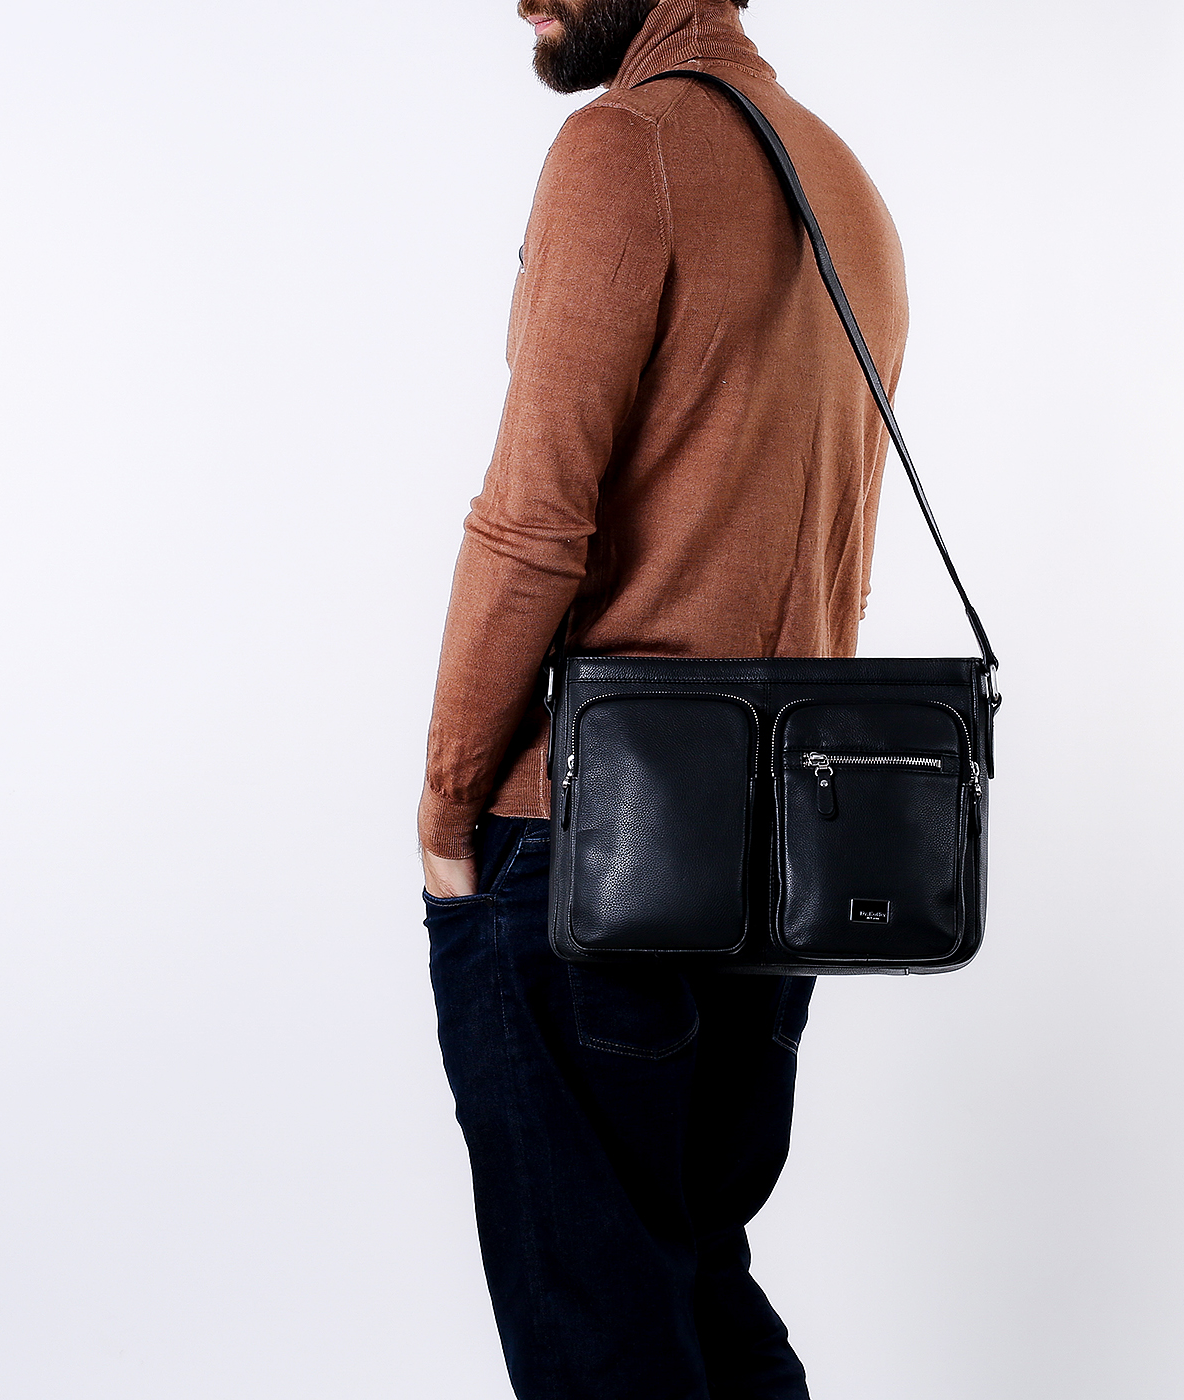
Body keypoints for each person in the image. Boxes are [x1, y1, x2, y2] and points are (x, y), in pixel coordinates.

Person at [418, 1, 909, 1394]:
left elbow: (533, 522)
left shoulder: (622, 148)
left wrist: (447, 806)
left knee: (601, 1331)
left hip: (591, 843)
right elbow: (836, 553)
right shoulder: (842, 183)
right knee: (694, 1275)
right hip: (779, 860)